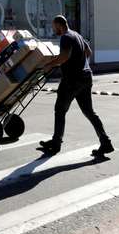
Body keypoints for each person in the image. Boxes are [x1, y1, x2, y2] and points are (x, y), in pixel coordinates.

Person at [38, 15, 113, 157]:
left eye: (54, 27)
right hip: (86, 77)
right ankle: (106, 142)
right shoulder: (77, 35)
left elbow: (64, 56)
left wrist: (49, 65)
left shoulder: (66, 37)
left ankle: (56, 143)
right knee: (89, 112)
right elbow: (88, 52)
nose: (54, 30)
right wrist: (80, 63)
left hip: (72, 80)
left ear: (59, 25)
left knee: (60, 110)